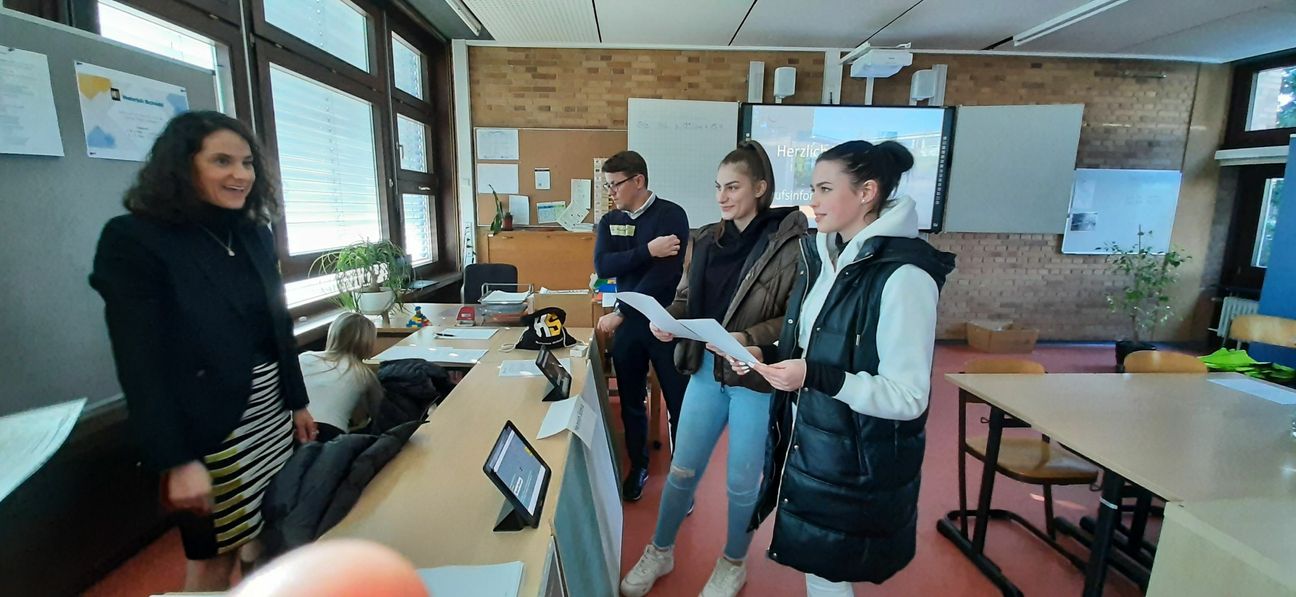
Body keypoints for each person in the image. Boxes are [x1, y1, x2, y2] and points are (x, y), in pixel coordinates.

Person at [90, 110, 317, 592]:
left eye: (247, 163)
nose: (240, 175)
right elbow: (139, 362)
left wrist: (296, 401)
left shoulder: (252, 233)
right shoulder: (134, 240)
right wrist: (177, 459)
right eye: (221, 161)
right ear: (182, 166)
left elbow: (277, 327)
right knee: (214, 559)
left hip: (268, 415)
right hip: (206, 430)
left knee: (268, 540)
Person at [736, 140, 956, 595]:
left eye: (823, 188)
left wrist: (813, 376)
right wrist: (768, 356)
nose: (811, 201)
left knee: (827, 574)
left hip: (854, 457)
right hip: (812, 438)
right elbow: (816, 344)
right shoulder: (825, 257)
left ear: (866, 192)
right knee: (821, 571)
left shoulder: (904, 276)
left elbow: (908, 397)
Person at [620, 140, 807, 597]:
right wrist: (669, 322)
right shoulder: (704, 239)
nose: (722, 196)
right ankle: (660, 550)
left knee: (742, 483)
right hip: (703, 370)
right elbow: (686, 298)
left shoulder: (792, 246)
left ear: (760, 188)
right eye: (718, 187)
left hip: (751, 378)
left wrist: (749, 339)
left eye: (733, 187)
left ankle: (733, 562)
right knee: (683, 470)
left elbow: (793, 318)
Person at [593, 150, 691, 501]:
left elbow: (666, 275)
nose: (611, 193)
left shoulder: (671, 215)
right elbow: (604, 266)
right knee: (632, 401)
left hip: (665, 321)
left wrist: (623, 307)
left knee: (680, 404)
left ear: (639, 181)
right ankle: (638, 466)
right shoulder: (610, 221)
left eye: (615, 184)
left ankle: (683, 481)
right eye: (607, 186)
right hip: (632, 327)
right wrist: (648, 249)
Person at [299, 312, 384, 442]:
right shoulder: (364, 375)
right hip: (330, 437)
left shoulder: (304, 357)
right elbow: (379, 414)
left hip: (295, 426)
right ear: (369, 343)